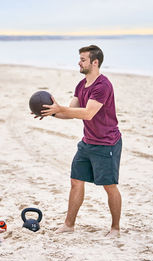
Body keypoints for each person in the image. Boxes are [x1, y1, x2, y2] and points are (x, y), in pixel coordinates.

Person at [40, 45, 122, 237]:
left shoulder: (103, 86)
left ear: (95, 62)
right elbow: (70, 112)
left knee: (109, 186)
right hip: (87, 143)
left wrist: (59, 109)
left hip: (107, 143)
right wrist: (50, 113)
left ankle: (115, 228)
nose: (79, 62)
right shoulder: (80, 85)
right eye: (80, 58)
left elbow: (87, 113)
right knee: (76, 182)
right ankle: (69, 225)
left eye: (83, 59)